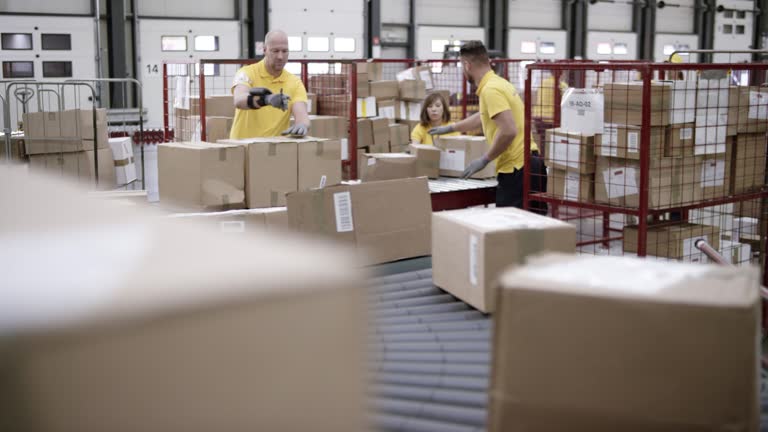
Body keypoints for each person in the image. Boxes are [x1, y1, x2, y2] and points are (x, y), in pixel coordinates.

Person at [429, 40, 547, 213]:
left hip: (517, 169)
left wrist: (485, 159)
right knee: (534, 231)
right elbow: (483, 116)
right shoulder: (500, 83)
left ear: (467, 65)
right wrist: (451, 128)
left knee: (511, 233)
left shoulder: (490, 90)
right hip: (531, 164)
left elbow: (508, 130)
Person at [229, 30, 309, 139]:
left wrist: (302, 125)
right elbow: (238, 100)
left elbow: (302, 114)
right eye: (275, 51)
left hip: (272, 150)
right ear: (265, 50)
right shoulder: (247, 72)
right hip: (243, 147)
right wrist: (266, 100)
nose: (280, 56)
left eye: (284, 51)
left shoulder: (294, 82)